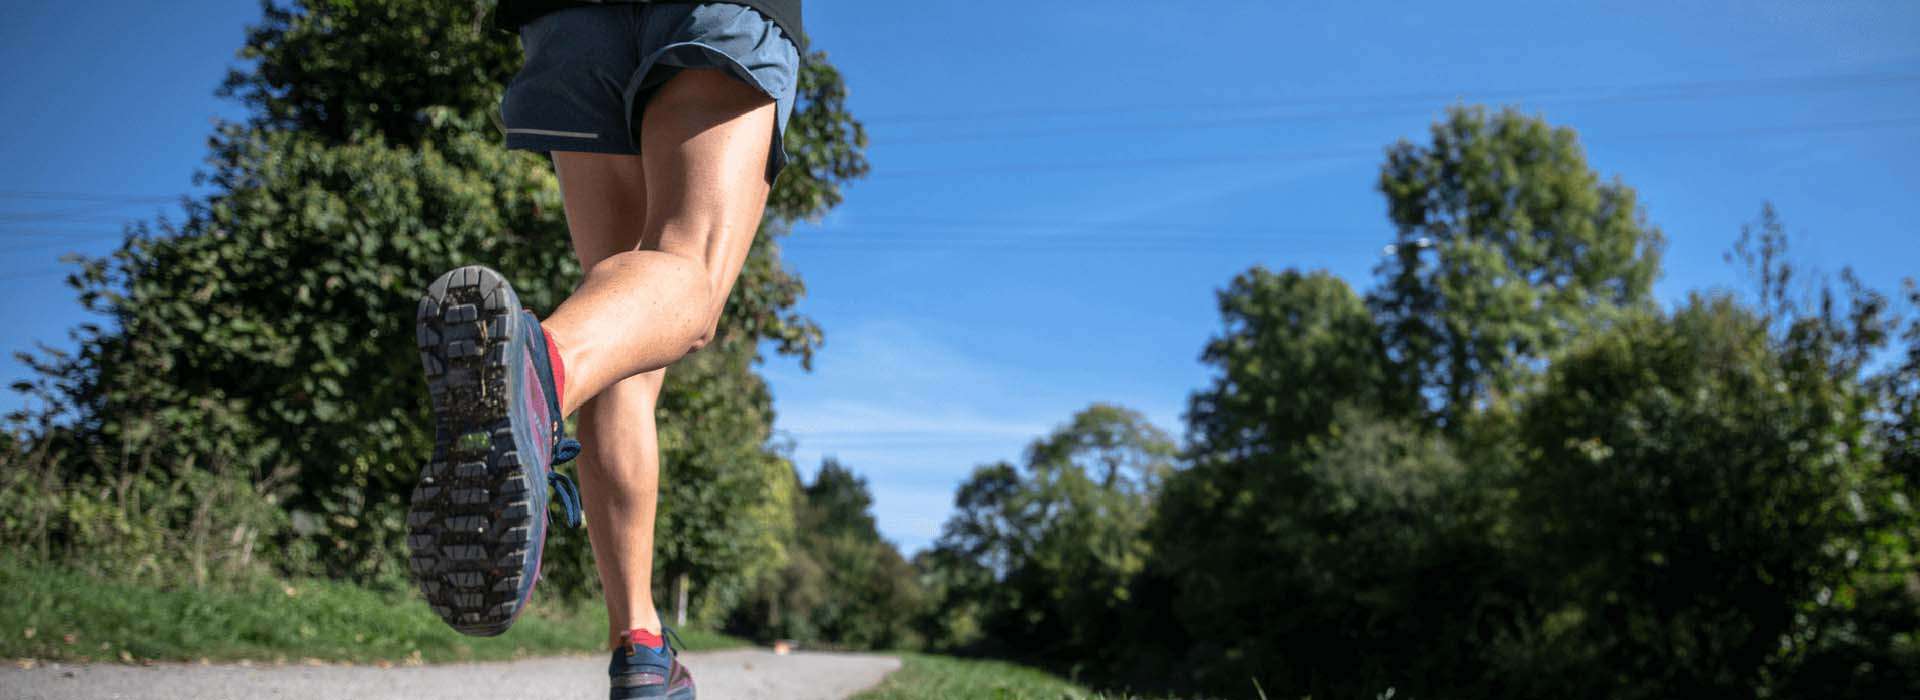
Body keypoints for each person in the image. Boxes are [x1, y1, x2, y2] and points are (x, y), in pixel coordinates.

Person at [405, 2, 802, 698]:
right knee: (688, 267)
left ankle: (640, 641)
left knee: (620, 336)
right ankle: (539, 373)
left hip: (567, 12)